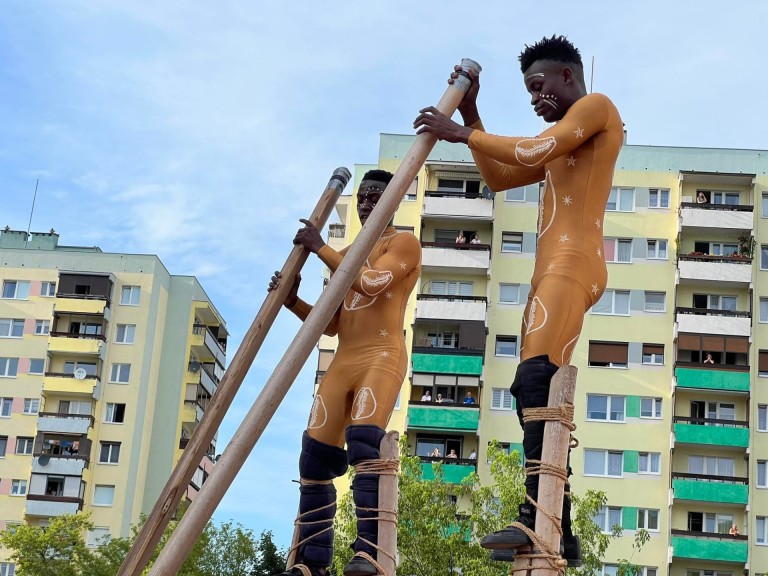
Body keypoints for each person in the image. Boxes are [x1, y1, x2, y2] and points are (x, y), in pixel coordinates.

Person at [414, 35, 623, 566]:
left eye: (538, 86)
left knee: (536, 377)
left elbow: (533, 149)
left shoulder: (595, 110)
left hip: (574, 263)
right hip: (549, 269)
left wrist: (462, 131)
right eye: (528, 90)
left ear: (567, 78)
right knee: (532, 384)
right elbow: (501, 175)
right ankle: (560, 523)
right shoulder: (561, 139)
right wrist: (473, 114)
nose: (533, 99)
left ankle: (537, 515)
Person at [269, 169, 422, 576]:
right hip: (344, 359)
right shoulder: (349, 251)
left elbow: (371, 283)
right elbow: (331, 323)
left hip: (381, 355)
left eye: (378, 195)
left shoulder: (403, 243)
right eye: (364, 196)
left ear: (394, 200)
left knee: (364, 444)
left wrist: (322, 249)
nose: (368, 202)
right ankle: (311, 561)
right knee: (314, 458)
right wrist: (292, 300)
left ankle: (368, 552)